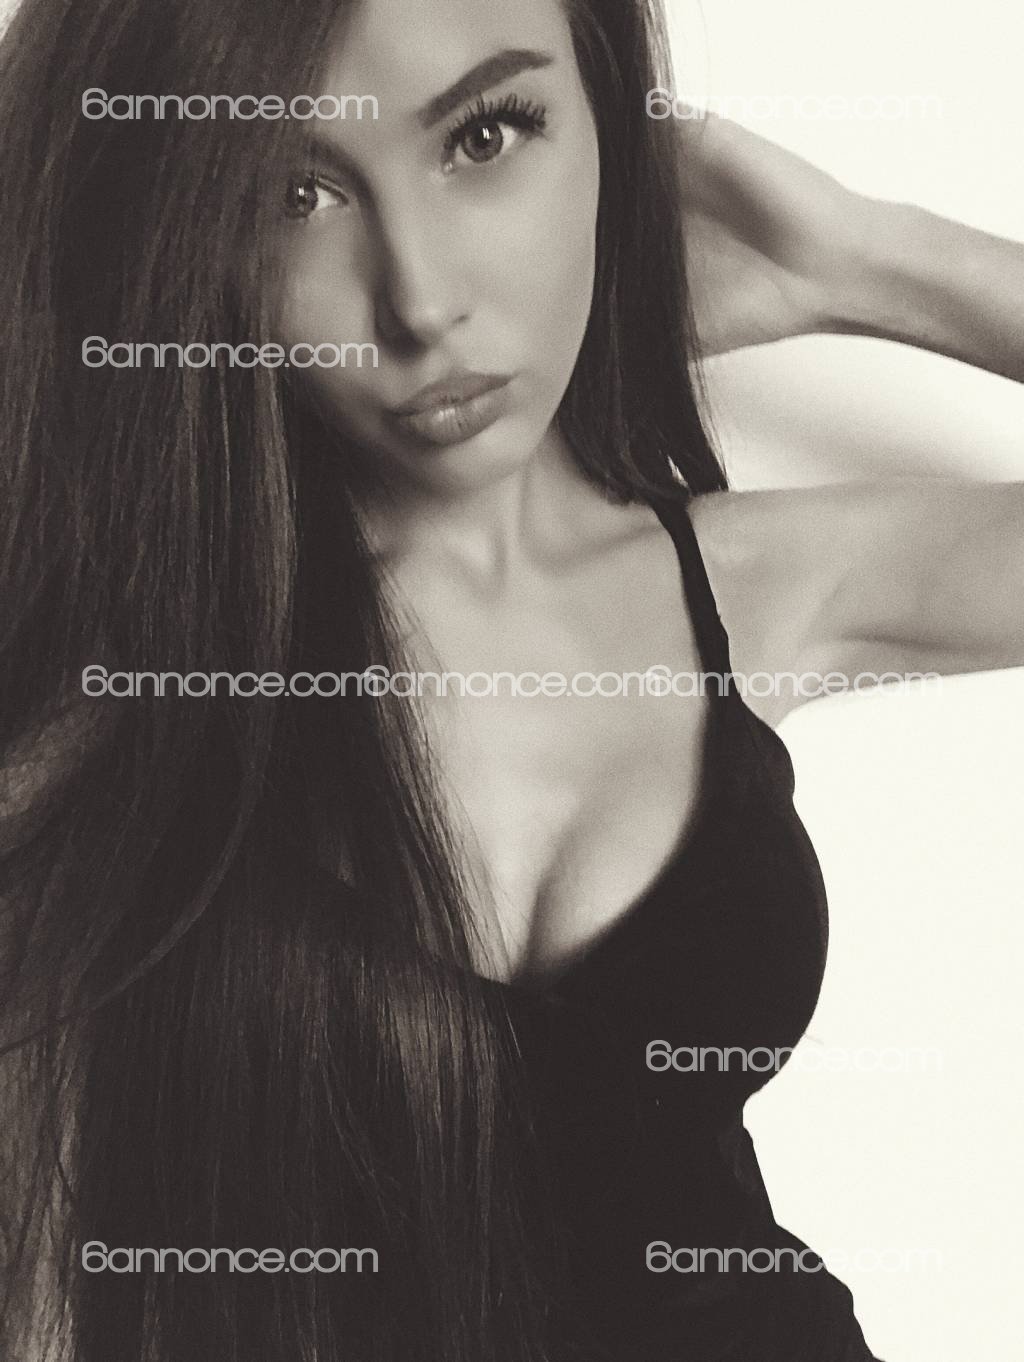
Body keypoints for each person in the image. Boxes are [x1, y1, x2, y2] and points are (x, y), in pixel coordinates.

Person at [0, 0, 1020, 1358]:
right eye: (289, 194)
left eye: (486, 135)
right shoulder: (117, 688)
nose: (421, 299)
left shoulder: (751, 588)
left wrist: (859, 259)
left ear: (609, 133)